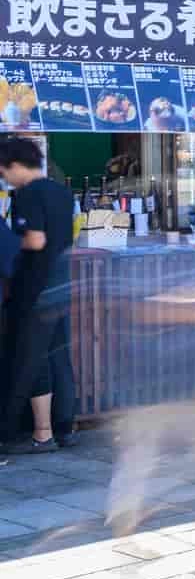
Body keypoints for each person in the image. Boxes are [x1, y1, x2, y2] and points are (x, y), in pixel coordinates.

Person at [0, 137, 75, 451]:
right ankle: (64, 427)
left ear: (17, 165)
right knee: (59, 358)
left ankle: (28, 435)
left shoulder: (28, 194)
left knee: (27, 363)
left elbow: (36, 240)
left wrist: (7, 241)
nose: (4, 177)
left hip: (35, 289)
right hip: (60, 285)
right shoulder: (62, 192)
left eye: (4, 170)